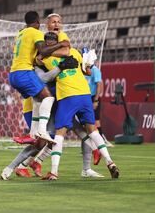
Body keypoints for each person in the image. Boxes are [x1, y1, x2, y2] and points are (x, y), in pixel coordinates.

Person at [14, 32, 103, 179]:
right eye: (47, 43)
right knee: (47, 138)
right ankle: (22, 165)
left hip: (63, 99)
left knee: (70, 133)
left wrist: (84, 67)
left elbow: (81, 69)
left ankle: (85, 166)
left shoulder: (64, 54)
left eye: (53, 43)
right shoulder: (39, 60)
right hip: (47, 104)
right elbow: (43, 78)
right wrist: (60, 67)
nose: (50, 45)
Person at [40, 35, 120, 180]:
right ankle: (110, 162)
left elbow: (45, 69)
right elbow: (86, 70)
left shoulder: (46, 58)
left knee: (60, 133)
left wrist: (44, 52)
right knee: (93, 130)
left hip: (68, 95)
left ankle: (54, 171)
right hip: (84, 94)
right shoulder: (75, 52)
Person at [8, 11, 70, 144]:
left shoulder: (21, 33)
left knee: (37, 100)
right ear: (37, 21)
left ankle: (32, 134)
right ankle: (41, 130)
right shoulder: (34, 32)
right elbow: (43, 50)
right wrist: (60, 44)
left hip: (13, 74)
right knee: (48, 97)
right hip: (24, 71)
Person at [84, 55, 113, 147]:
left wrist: (96, 100)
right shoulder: (83, 69)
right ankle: (92, 142)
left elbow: (99, 85)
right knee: (86, 121)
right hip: (85, 97)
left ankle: (101, 139)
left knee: (96, 120)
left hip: (92, 97)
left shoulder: (95, 70)